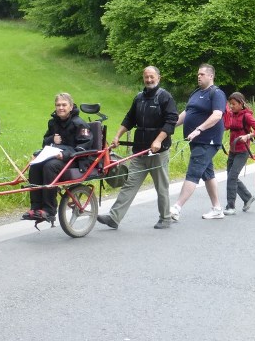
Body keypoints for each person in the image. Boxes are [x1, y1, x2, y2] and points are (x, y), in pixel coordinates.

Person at [97, 66, 178, 230]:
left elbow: (171, 122)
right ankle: (114, 217)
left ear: (159, 78)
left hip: (158, 153)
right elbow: (129, 119)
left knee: (161, 186)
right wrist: (117, 136)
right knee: (129, 184)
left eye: (152, 77)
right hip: (139, 152)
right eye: (146, 77)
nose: (149, 80)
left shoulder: (165, 97)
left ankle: (165, 218)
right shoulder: (139, 98)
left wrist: (158, 140)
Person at [23, 93, 93, 222]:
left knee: (50, 166)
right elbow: (45, 142)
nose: (60, 108)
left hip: (76, 160)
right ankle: (36, 207)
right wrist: (52, 139)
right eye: (58, 105)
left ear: (71, 107)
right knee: (35, 165)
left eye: (64, 105)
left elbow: (85, 146)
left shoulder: (79, 124)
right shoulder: (53, 123)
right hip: (56, 157)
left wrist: (64, 154)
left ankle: (49, 210)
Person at [170, 63, 227, 221]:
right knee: (208, 174)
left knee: (193, 172)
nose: (199, 76)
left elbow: (217, 115)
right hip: (196, 141)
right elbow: (187, 112)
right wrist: (170, 125)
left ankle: (177, 207)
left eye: (202, 74)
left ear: (211, 76)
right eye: (198, 74)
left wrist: (199, 129)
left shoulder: (217, 94)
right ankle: (217, 208)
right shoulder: (196, 93)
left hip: (207, 141)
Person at [223, 92, 255, 215]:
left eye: (234, 104)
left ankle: (230, 206)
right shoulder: (231, 114)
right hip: (232, 150)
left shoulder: (246, 116)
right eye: (230, 104)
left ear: (241, 104)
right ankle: (248, 198)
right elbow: (226, 126)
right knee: (231, 176)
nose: (232, 106)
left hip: (243, 151)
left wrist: (248, 136)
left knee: (232, 177)